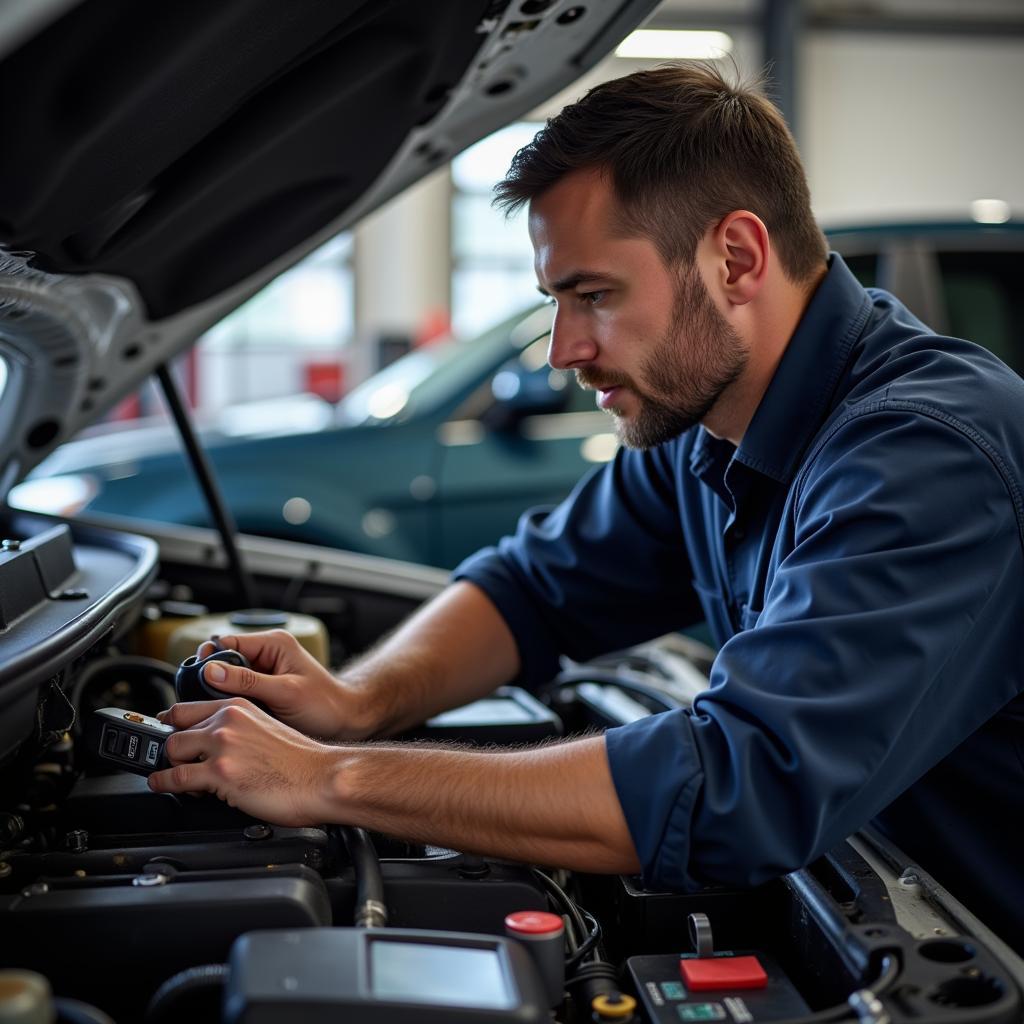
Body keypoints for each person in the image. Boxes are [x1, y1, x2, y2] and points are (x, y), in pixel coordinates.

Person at [150, 64, 1024, 951]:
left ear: (738, 258)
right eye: (555, 301)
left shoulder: (929, 454)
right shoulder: (704, 424)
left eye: (595, 296)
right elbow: (535, 587)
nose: (565, 349)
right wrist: (359, 700)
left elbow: (741, 783)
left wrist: (330, 778)